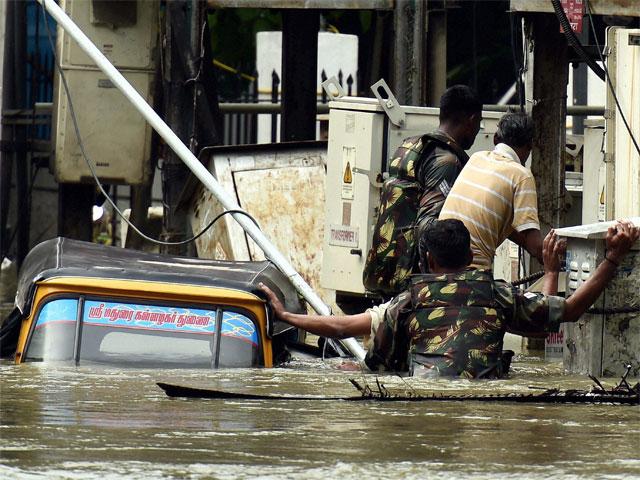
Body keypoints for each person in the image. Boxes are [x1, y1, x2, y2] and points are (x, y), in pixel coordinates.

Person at [260, 219, 639, 379]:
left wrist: (287, 316)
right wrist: (612, 258)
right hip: (487, 401)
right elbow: (568, 311)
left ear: (429, 260)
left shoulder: (410, 300)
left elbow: (343, 325)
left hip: (424, 394)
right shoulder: (496, 293)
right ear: (470, 257)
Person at [363, 85, 482, 296]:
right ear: (471, 120)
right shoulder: (446, 161)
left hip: (383, 268)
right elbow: (429, 224)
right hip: (409, 280)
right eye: (478, 124)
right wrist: (432, 283)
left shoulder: (409, 146)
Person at [439, 111, 543, 270]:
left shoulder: (476, 158)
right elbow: (535, 246)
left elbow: (491, 217)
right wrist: (555, 262)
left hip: (439, 262)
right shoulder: (522, 176)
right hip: (472, 270)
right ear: (530, 145)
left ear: (495, 138)